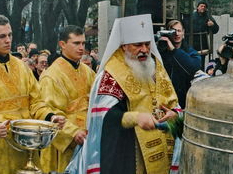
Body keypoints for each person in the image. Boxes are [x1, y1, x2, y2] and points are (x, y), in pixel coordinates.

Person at [66, 14, 180, 174]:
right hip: (128, 153)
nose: (145, 50)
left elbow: (173, 102)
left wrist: (174, 114)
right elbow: (105, 118)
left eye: (147, 44)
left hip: (162, 149)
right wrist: (136, 118)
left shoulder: (156, 67)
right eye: (138, 45)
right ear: (124, 46)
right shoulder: (112, 73)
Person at [0, 14, 65, 174]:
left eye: (9, 35)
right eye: (1, 36)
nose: (8, 40)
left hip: (27, 145)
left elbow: (36, 102)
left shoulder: (21, 66)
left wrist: (50, 117)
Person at [39, 25, 95, 173]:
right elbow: (49, 112)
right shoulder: (51, 76)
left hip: (89, 137)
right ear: (62, 45)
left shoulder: (88, 72)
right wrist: (73, 132)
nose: (81, 48)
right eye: (76, 43)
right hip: (65, 142)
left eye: (83, 43)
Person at [159, 19, 201, 109]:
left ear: (183, 33)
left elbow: (193, 68)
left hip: (183, 102)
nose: (176, 34)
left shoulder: (191, 52)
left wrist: (173, 50)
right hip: (163, 101)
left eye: (179, 31)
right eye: (173, 31)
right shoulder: (161, 52)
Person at [192, 0, 219, 68]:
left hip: (203, 43)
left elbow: (216, 30)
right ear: (197, 7)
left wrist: (212, 25)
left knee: (201, 63)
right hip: (192, 42)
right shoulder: (192, 16)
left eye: (204, 6)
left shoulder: (208, 16)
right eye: (201, 6)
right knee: (192, 61)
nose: (203, 7)